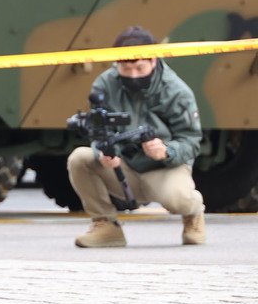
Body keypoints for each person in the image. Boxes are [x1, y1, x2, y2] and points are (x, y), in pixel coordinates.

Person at [67, 26, 205, 248]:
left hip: (163, 168)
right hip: (123, 165)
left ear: (153, 60)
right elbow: (100, 130)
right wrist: (102, 152)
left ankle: (194, 214)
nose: (133, 75)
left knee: (179, 199)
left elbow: (191, 141)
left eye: (140, 68)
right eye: (125, 68)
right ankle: (106, 226)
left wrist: (166, 151)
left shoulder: (176, 91)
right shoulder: (104, 85)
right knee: (79, 159)